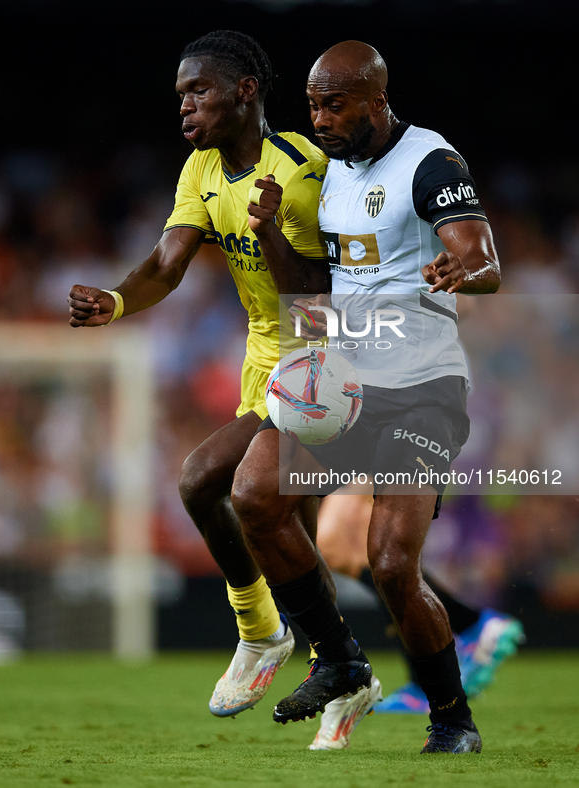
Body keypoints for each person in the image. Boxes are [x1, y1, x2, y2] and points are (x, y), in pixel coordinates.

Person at [67, 30, 379, 750]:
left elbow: (328, 300)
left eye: (198, 90)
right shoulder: (200, 169)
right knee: (278, 528)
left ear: (246, 92)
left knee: (207, 478)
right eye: (179, 95)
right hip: (264, 366)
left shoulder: (307, 167)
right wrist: (116, 301)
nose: (184, 106)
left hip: (330, 362)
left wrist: (270, 231)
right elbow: (167, 262)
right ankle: (339, 671)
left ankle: (265, 633)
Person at [230, 40, 502, 754]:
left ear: (376, 100)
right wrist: (268, 237)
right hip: (346, 386)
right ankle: (340, 660)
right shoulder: (329, 178)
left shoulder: (428, 161)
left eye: (335, 104)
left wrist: (460, 267)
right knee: (254, 493)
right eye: (314, 104)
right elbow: (314, 294)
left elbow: (484, 259)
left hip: (421, 391)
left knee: (388, 564)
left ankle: (451, 720)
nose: (319, 117)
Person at [316, 490, 525, 716]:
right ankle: (443, 657)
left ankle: (463, 631)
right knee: (364, 552)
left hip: (364, 455)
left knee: (337, 544)